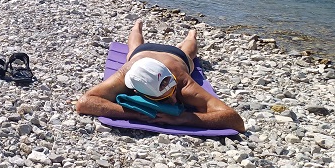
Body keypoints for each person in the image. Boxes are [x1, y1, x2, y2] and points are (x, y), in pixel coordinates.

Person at [75, 20, 245, 133]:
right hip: (142, 54)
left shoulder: (183, 84)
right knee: (133, 48)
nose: (172, 102)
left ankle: (192, 34)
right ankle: (137, 26)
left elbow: (236, 121)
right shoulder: (128, 73)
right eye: (161, 99)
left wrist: (185, 119)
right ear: (135, 90)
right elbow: (84, 103)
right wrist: (133, 114)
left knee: (189, 52)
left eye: (170, 94)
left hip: (176, 57)